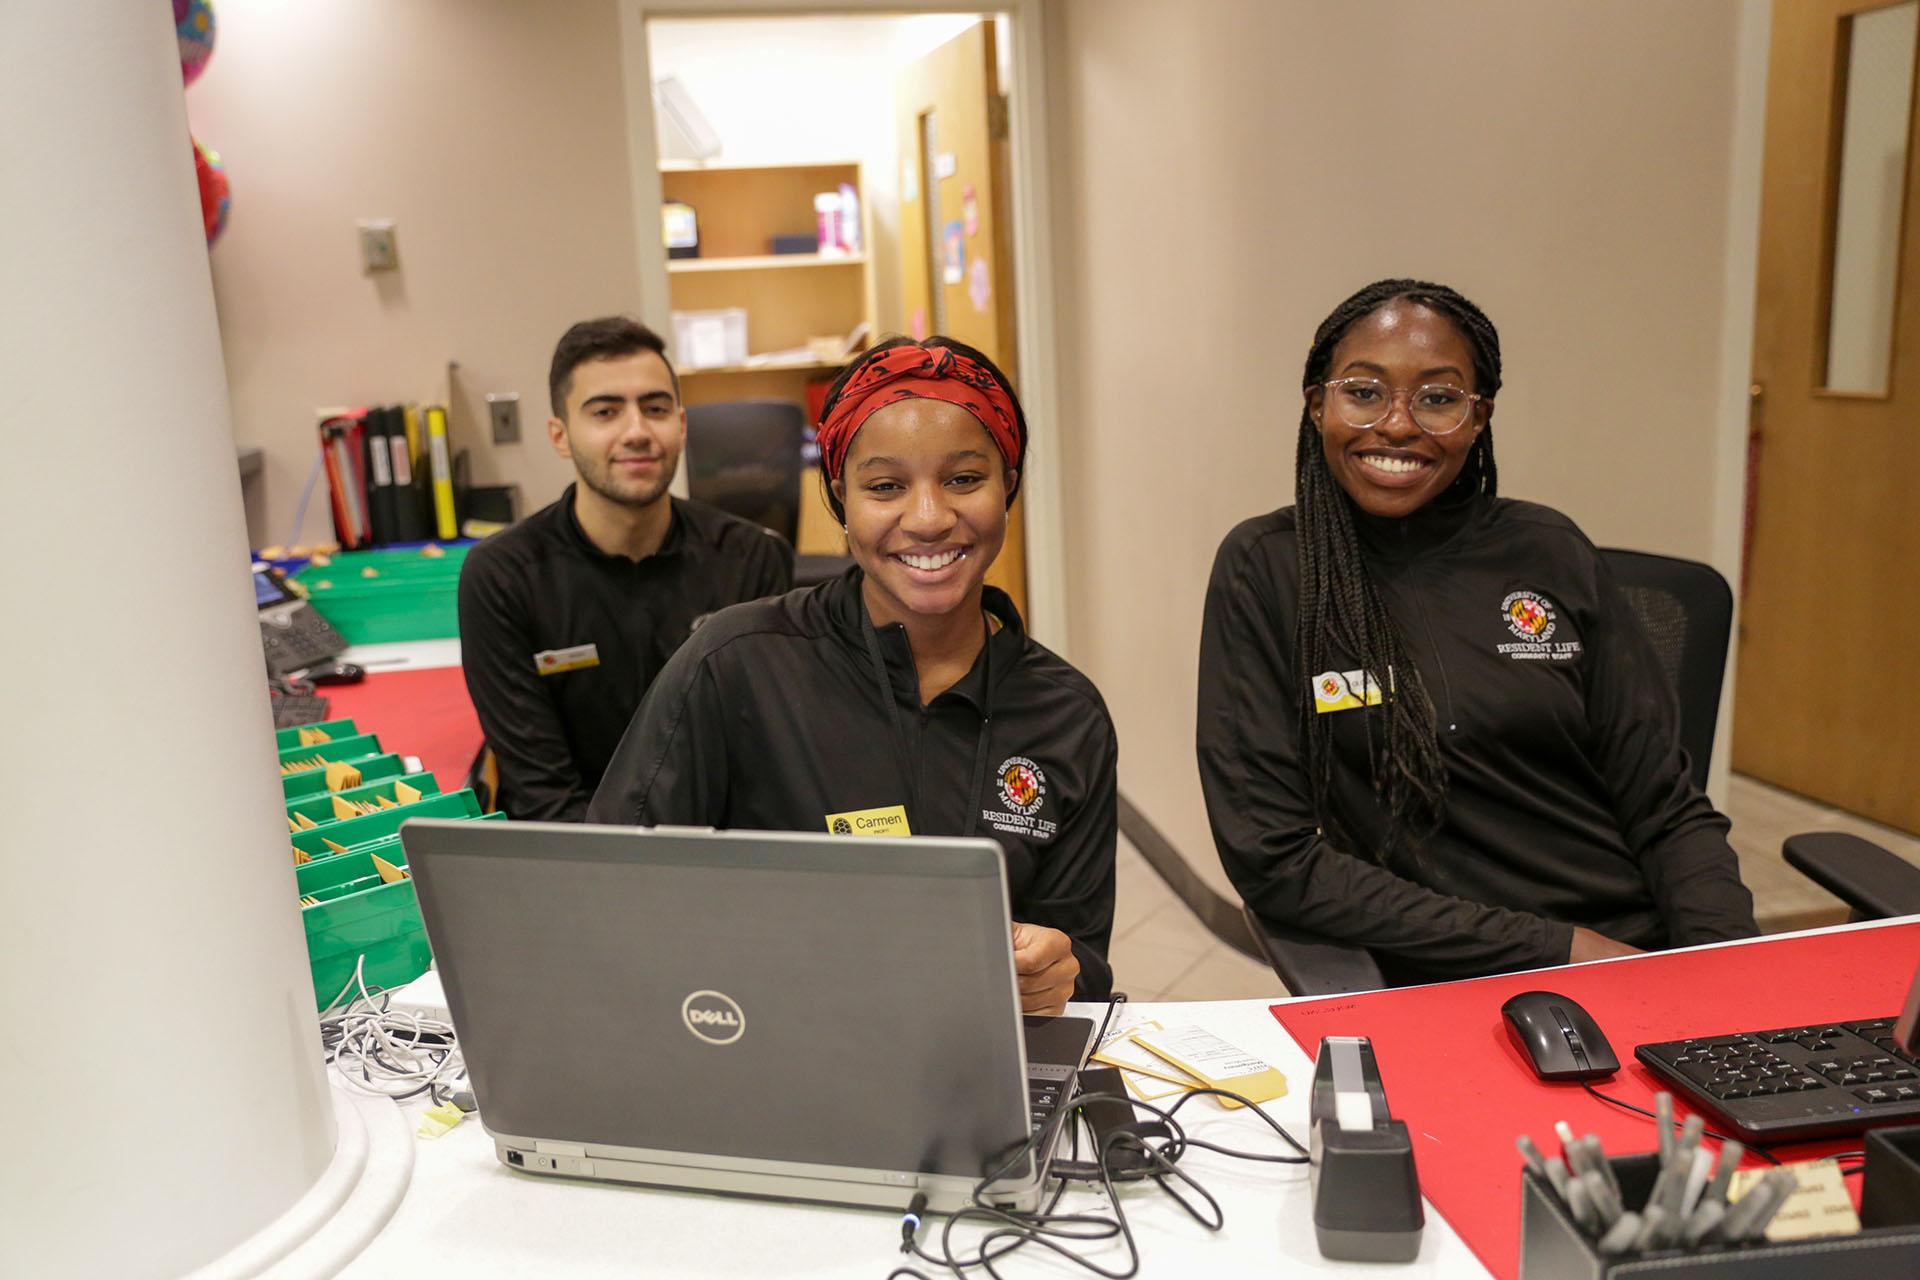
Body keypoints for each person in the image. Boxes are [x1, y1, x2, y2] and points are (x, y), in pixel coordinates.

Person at [1197, 279, 1757, 984]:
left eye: (1438, 397)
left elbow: (1665, 806)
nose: (1398, 424)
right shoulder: (1269, 569)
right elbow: (1276, 862)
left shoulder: (1549, 549)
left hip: (1635, 948)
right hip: (1448, 969)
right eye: (1364, 391)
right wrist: (1563, 949)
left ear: (1479, 416)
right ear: (1318, 405)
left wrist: (1728, 966)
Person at [588, 337, 1117, 1010]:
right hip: (762, 1041)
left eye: (963, 479)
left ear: (1008, 483)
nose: (928, 518)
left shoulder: (1067, 714)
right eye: (886, 486)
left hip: (978, 1068)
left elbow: (1085, 959)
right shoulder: (735, 664)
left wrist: (1058, 970)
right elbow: (610, 888)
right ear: (842, 498)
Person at [459, 316, 794, 821]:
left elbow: (759, 757)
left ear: (680, 426)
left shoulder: (751, 558)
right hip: (577, 853)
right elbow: (541, 793)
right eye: (605, 411)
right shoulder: (502, 577)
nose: (636, 431)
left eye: (655, 408)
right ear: (561, 435)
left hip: (714, 848)